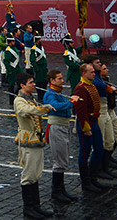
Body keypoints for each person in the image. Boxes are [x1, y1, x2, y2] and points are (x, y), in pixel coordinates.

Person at [13, 73, 52, 218]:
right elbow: (26, 111)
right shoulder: (19, 100)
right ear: (22, 85)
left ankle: (36, 206)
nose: (33, 84)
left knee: (36, 174)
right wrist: (44, 109)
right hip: (28, 140)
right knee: (28, 175)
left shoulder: (30, 98)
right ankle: (28, 208)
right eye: (30, 82)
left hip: (36, 140)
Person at [43, 68, 79, 203]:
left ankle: (61, 189)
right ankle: (56, 191)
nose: (62, 80)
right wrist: (71, 102)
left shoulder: (58, 92)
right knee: (59, 160)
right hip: (56, 127)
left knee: (63, 159)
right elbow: (57, 107)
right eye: (59, 78)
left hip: (63, 126)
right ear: (52, 80)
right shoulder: (49, 94)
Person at [73, 62, 109, 192]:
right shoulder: (81, 88)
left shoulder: (91, 84)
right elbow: (81, 111)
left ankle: (93, 178)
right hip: (87, 122)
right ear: (84, 73)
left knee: (99, 148)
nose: (94, 74)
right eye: (91, 72)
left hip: (94, 120)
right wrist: (85, 127)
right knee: (84, 152)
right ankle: (86, 182)